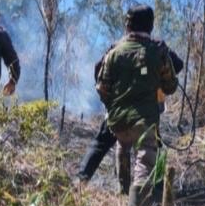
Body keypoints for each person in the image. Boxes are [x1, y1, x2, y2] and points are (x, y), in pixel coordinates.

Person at [96, 4, 179, 206]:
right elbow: (170, 86)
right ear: (150, 25)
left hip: (118, 122)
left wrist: (114, 105)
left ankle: (122, 194)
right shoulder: (158, 50)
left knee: (122, 148)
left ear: (127, 24)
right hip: (145, 122)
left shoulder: (113, 52)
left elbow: (102, 87)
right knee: (144, 160)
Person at [77, 49, 184, 195]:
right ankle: (155, 191)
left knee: (103, 143)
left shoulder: (118, 48)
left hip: (119, 112)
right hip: (145, 114)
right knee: (155, 148)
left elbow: (99, 73)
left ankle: (82, 182)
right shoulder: (156, 49)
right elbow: (177, 66)